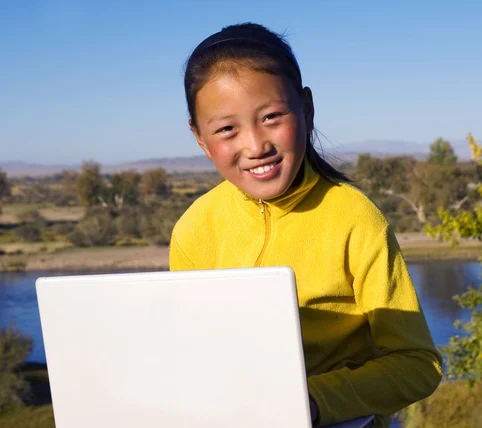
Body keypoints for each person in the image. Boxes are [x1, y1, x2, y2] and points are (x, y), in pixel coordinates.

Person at [169, 23, 442, 427]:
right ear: (200, 138)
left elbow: (418, 365)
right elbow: (194, 355)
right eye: (227, 129)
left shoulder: (354, 217)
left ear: (307, 109)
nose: (255, 145)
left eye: (271, 117)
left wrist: (308, 404)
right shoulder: (194, 229)